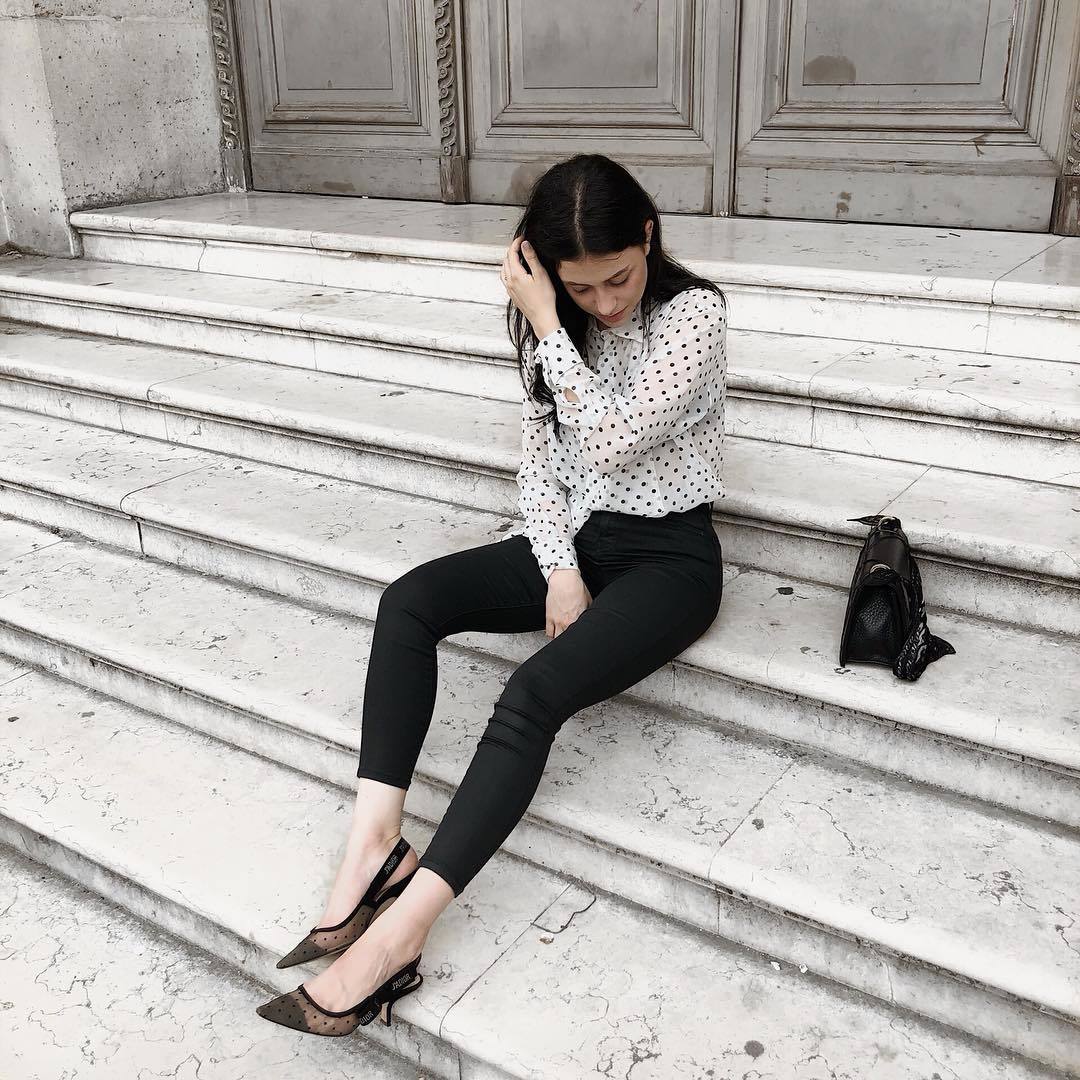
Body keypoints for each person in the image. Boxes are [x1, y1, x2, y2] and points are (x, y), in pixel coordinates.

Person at [256, 152, 728, 1037]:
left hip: (671, 559)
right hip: (578, 539)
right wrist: (559, 566)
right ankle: (373, 847)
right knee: (409, 602)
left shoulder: (693, 316)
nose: (605, 304)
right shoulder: (562, 324)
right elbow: (541, 464)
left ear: (647, 239)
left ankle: (398, 937)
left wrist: (549, 321)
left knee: (531, 692)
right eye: (579, 289)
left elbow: (615, 439)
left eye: (618, 279)